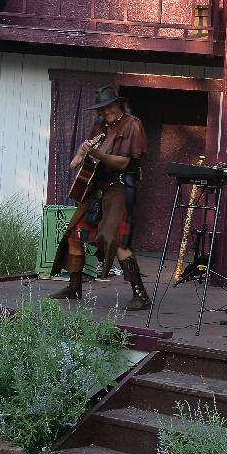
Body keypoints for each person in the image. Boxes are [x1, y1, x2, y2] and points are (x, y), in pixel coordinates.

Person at [48, 86, 151, 311]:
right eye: (101, 109)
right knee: (74, 235)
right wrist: (82, 152)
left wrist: (98, 154)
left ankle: (140, 294)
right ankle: (74, 287)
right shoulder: (100, 124)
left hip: (120, 188)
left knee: (115, 240)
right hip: (98, 187)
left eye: (109, 107)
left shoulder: (133, 125)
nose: (106, 112)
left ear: (119, 103)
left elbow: (123, 162)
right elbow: (87, 152)